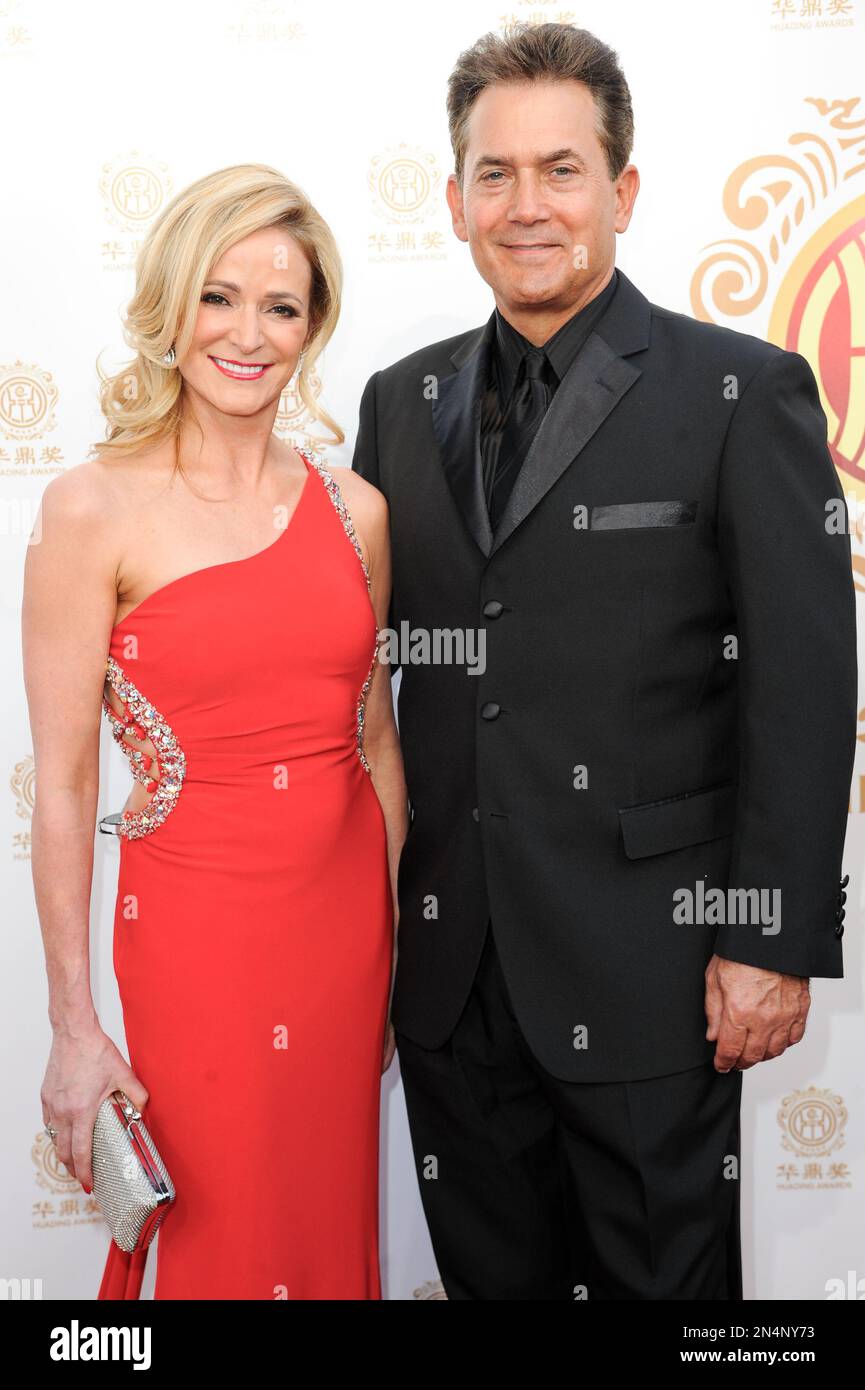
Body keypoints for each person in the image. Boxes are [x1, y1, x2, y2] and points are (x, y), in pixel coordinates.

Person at [352, 23, 857, 1299]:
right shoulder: (395, 405)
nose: (527, 206)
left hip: (655, 969)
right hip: (452, 976)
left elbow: (802, 687)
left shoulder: (741, 390)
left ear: (622, 192)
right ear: (455, 194)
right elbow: (360, 678)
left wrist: (768, 939)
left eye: (561, 170)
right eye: (495, 172)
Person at [23, 163, 407, 1299]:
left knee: (322, 1215)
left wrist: (397, 957)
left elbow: (376, 743)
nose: (248, 333)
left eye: (281, 306)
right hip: (193, 932)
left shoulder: (356, 511)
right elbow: (59, 786)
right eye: (219, 296)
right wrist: (74, 1025)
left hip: (346, 942)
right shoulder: (89, 508)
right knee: (217, 1223)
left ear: (314, 326)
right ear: (170, 305)